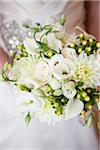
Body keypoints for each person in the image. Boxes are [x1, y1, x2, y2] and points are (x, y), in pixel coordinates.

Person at [0, 0, 99, 150]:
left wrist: (95, 61)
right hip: (9, 73)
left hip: (77, 75)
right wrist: (11, 74)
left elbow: (95, 7)